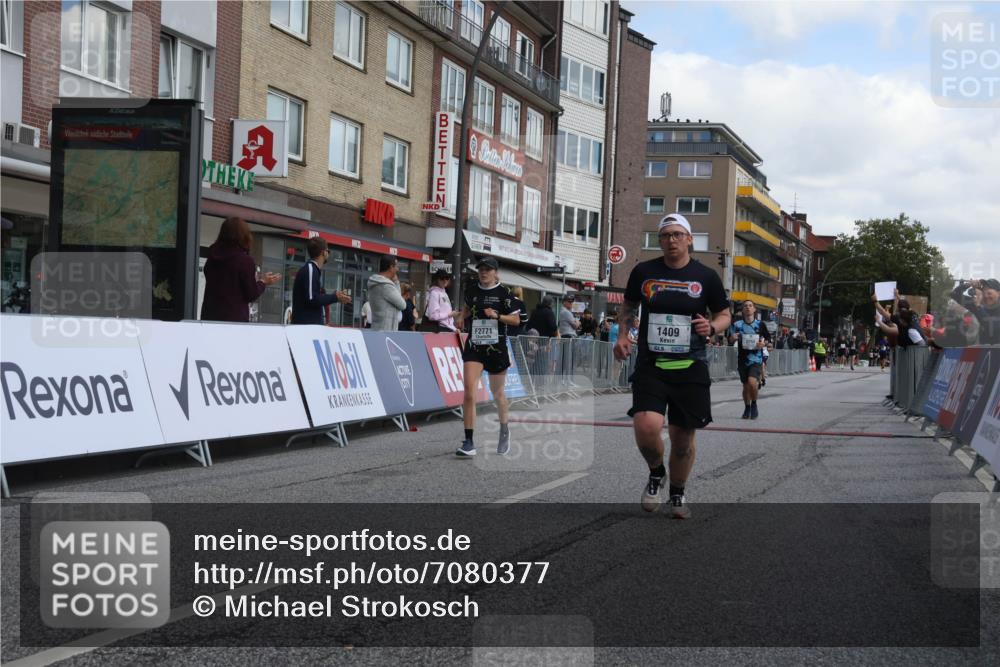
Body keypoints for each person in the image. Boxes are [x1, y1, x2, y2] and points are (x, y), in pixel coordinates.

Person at [614, 213, 731, 520]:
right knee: (646, 426)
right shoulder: (644, 271)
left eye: (678, 234)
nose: (671, 240)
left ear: (689, 239)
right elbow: (628, 306)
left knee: (682, 440)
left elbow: (724, 314)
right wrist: (623, 336)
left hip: (690, 367)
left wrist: (713, 327)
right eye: (665, 235)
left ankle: (677, 493)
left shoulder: (706, 277)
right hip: (651, 364)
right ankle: (656, 473)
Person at [456, 257, 521, 457]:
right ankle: (469, 442)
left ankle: (504, 431)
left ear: (495, 272)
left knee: (498, 393)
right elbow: (468, 308)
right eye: (481, 269)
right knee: (468, 390)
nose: (483, 273)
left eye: (487, 269)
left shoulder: (505, 294)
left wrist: (497, 316)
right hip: (475, 345)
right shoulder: (472, 290)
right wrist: (461, 317)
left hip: (496, 348)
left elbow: (516, 320)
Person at [200, 217, 281, 323]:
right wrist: (263, 282)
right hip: (234, 321)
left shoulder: (212, 257)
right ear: (244, 236)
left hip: (209, 318)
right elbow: (251, 294)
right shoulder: (244, 261)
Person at [291, 237, 352, 324]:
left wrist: (335, 297)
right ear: (324, 252)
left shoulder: (312, 269)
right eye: (328, 251)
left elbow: (314, 298)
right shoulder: (310, 269)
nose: (328, 254)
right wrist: (335, 297)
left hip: (308, 326)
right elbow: (312, 299)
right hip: (306, 327)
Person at [728, 300, 771, 419]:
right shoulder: (737, 325)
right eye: (745, 306)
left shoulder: (760, 324)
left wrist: (764, 343)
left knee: (752, 383)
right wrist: (732, 338)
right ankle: (747, 407)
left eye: (750, 306)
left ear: (754, 309)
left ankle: (754, 404)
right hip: (742, 359)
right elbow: (730, 340)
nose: (748, 307)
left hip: (756, 359)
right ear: (742, 310)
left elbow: (768, 340)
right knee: (746, 386)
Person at [952, 278, 1000, 345]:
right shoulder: (979, 304)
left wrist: (979, 307)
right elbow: (954, 294)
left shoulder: (979, 306)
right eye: (984, 292)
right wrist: (968, 285)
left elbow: (993, 327)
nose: (986, 296)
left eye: (989, 293)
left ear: (998, 293)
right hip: (983, 351)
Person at [367, 255, 407, 331]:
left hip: (377, 328)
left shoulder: (375, 283)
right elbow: (402, 305)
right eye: (396, 267)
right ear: (391, 267)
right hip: (387, 331)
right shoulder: (386, 286)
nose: (397, 269)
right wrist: (396, 282)